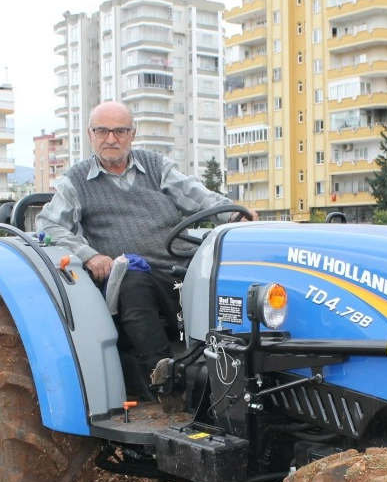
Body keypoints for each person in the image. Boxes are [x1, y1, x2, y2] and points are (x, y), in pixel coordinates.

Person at [37, 101, 255, 401]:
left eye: (120, 131)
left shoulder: (155, 166)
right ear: (91, 134)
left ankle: (245, 374)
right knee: (133, 282)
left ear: (132, 134)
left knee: (227, 276)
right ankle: (166, 381)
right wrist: (89, 254)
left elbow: (198, 196)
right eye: (102, 130)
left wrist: (233, 216)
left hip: (178, 268)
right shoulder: (76, 180)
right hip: (129, 276)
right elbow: (49, 225)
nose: (111, 138)